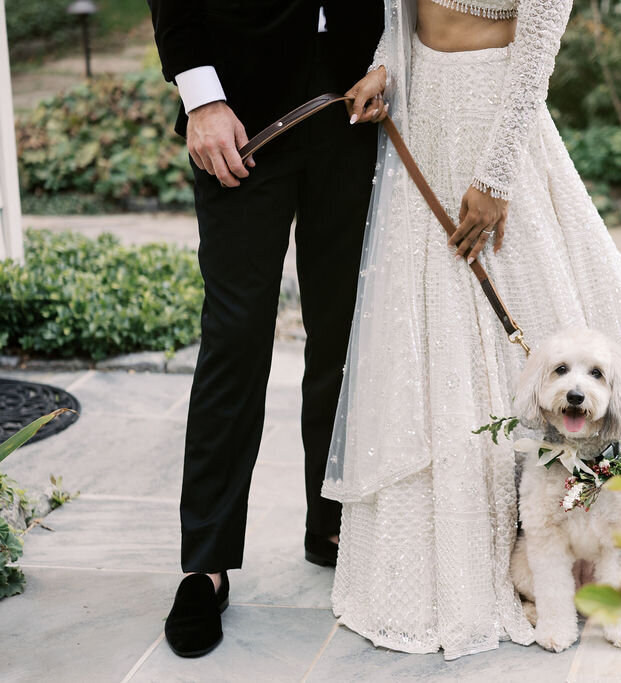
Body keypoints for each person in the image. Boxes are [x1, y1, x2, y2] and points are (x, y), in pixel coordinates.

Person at [321, 0, 621, 659]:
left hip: (494, 119)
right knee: (426, 338)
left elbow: (538, 46)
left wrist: (497, 175)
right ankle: (455, 562)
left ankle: (597, 542)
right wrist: (385, 66)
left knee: (535, 313)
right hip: (424, 110)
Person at [146, 0, 383, 658]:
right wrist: (201, 98)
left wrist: (388, 61)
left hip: (353, 104)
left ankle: (331, 521)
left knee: (344, 334)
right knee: (235, 337)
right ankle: (207, 562)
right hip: (239, 114)